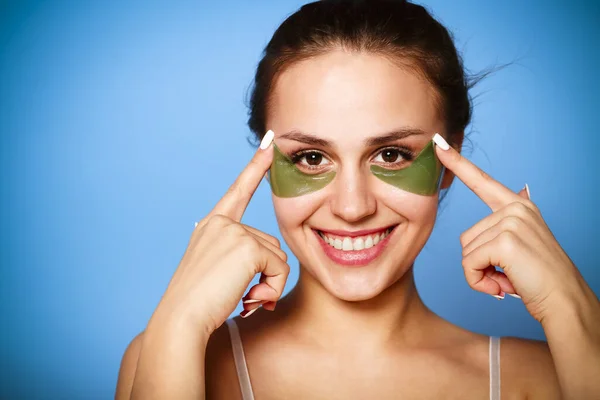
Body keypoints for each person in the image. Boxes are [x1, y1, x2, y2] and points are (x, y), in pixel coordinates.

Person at [115, 1, 600, 399]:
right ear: (264, 165)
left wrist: (573, 310)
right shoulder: (170, 355)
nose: (352, 207)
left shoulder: (542, 380)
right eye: (309, 157)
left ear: (449, 160)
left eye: (391, 154)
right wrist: (178, 322)